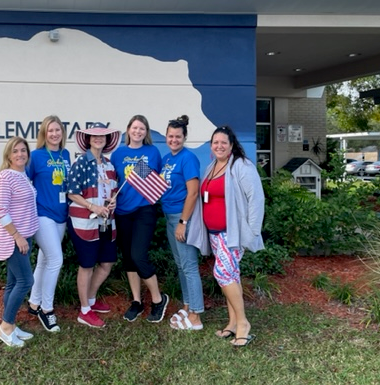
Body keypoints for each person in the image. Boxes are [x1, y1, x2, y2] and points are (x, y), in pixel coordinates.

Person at [200, 125, 265, 347]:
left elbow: (256, 199)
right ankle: (232, 323)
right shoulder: (212, 166)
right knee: (232, 276)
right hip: (215, 234)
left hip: (233, 234)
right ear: (211, 146)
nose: (219, 146)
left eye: (223, 143)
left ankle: (244, 323)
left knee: (223, 274)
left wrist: (252, 232)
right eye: (215, 142)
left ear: (231, 146)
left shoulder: (240, 166)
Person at [111, 115, 169, 323]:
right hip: (123, 211)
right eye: (135, 128)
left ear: (146, 132)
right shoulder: (118, 154)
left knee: (138, 255)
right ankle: (136, 301)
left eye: (142, 129)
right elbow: (113, 182)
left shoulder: (152, 152)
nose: (138, 132)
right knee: (128, 257)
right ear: (128, 130)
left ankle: (158, 299)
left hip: (145, 209)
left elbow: (158, 179)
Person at [66, 122, 120, 328]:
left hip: (106, 222)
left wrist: (112, 201)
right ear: (88, 140)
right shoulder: (80, 162)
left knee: (106, 263)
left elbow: (112, 191)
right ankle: (84, 311)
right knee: (87, 265)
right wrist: (91, 206)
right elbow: (71, 192)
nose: (98, 139)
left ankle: (90, 299)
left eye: (102, 136)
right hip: (84, 223)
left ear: (107, 140)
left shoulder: (109, 165)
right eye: (94, 136)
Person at [160, 115, 210, 330]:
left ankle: (196, 316)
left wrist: (183, 221)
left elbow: (192, 193)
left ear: (184, 137)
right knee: (181, 264)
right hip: (169, 216)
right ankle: (188, 306)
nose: (174, 140)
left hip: (181, 217)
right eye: (170, 136)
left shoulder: (187, 158)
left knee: (189, 266)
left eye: (178, 136)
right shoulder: (167, 159)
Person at [0, 136, 39, 348]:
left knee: (13, 283)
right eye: (16, 151)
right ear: (8, 155)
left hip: (24, 237)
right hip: (14, 239)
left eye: (23, 150)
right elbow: (1, 211)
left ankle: (10, 326)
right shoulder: (5, 177)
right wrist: (17, 236)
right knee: (25, 282)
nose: (20, 154)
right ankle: (5, 326)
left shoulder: (23, 175)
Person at [27, 115, 71, 332]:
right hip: (42, 214)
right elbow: (23, 182)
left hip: (61, 214)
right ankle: (47, 310)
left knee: (44, 261)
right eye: (50, 130)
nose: (54, 134)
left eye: (58, 130)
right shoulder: (35, 156)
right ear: (44, 133)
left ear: (62, 133)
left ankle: (34, 301)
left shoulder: (66, 155)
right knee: (56, 260)